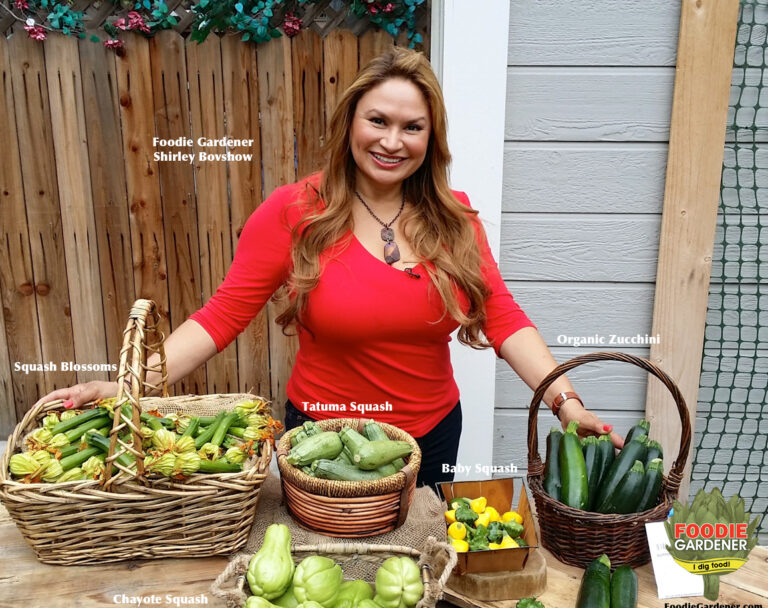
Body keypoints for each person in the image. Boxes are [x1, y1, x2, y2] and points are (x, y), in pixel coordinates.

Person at [37, 48, 621, 488]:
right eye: (378, 121)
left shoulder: (454, 217)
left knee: (413, 575)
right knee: (329, 581)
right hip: (324, 439)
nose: (393, 141)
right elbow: (220, 318)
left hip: (434, 434)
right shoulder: (295, 211)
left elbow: (503, 316)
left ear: (431, 138)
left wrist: (566, 404)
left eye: (412, 127)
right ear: (349, 124)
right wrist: (129, 388)